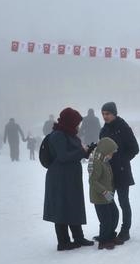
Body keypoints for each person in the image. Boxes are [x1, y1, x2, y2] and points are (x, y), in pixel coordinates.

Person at [43, 107, 95, 251]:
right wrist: (81, 151)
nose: (78, 126)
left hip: (71, 178)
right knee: (61, 208)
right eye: (76, 123)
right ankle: (63, 242)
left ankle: (78, 237)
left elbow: (76, 153)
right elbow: (63, 156)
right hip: (59, 178)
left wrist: (87, 151)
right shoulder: (58, 135)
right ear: (69, 122)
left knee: (74, 205)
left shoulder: (71, 134)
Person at [99, 102, 139, 242]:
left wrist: (121, 160)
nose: (105, 116)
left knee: (123, 202)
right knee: (108, 201)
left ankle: (125, 230)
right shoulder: (103, 130)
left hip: (122, 172)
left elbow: (134, 148)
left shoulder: (123, 127)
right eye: (103, 114)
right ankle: (109, 230)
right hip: (107, 174)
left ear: (114, 113)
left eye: (108, 114)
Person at [88, 137, 123, 250]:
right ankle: (103, 241)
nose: (112, 155)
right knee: (105, 220)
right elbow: (92, 181)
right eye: (111, 153)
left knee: (114, 214)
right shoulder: (97, 162)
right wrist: (104, 191)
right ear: (105, 151)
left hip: (108, 195)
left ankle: (110, 236)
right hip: (99, 196)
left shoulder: (104, 160)